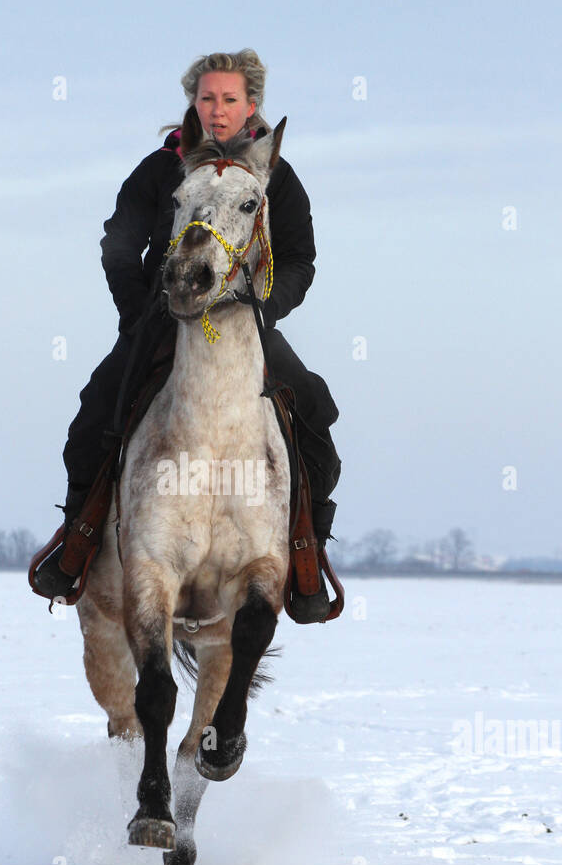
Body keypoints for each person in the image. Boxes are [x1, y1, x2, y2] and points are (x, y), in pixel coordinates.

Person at [36, 48, 342, 620]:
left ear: (251, 104)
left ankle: (306, 558)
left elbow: (300, 258)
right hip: (163, 319)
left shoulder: (278, 176)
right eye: (207, 98)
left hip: (244, 324)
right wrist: (138, 313)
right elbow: (119, 243)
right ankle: (77, 542)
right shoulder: (160, 167)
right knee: (95, 411)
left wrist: (263, 310)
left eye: (229, 100)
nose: (217, 110)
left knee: (316, 411)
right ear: (193, 103)